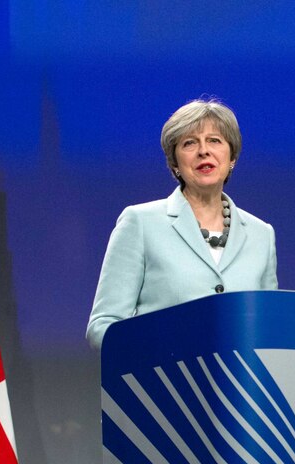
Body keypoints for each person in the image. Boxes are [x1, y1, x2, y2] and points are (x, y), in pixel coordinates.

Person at [86, 98, 278, 350]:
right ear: (175, 163)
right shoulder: (140, 222)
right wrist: (160, 352)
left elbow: (272, 329)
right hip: (164, 383)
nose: (203, 151)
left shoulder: (261, 234)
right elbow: (103, 327)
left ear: (232, 157)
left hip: (240, 386)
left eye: (214, 141)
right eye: (189, 143)